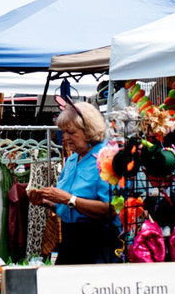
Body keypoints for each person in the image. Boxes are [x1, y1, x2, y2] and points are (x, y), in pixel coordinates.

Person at [27, 101, 118, 265]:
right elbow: (69, 206)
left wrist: (68, 199)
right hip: (71, 241)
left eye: (71, 132)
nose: (65, 137)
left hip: (98, 243)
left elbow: (111, 209)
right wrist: (47, 202)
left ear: (88, 131)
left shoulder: (107, 158)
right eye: (63, 132)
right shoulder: (73, 159)